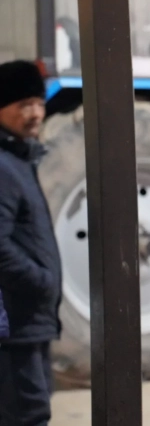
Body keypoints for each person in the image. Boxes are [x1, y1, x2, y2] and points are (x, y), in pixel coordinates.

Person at [0, 60, 62, 426]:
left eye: (39, 103)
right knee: (28, 415)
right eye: (24, 105)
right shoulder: (4, 166)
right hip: (15, 325)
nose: (36, 113)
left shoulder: (19, 159)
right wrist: (41, 281)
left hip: (27, 321)